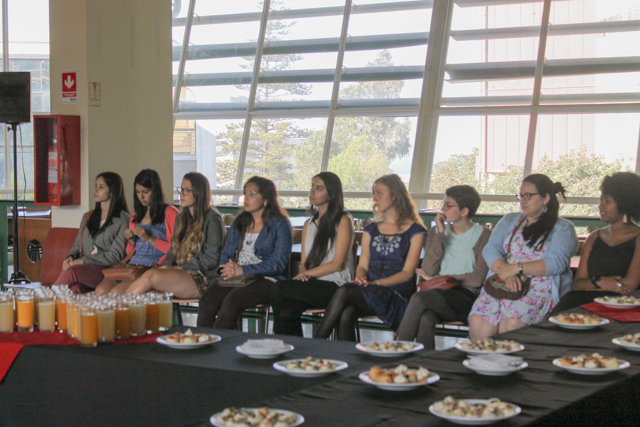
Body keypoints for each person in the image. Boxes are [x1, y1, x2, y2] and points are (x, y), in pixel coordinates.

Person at [315, 174, 426, 341]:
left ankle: (316, 343)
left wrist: (375, 283)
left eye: (379, 193)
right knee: (347, 313)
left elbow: (408, 273)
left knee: (345, 290)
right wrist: (360, 278)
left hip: (397, 295)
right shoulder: (370, 230)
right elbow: (362, 266)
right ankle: (347, 355)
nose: (374, 199)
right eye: (374, 193)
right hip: (370, 290)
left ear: (395, 195)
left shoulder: (415, 231)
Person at [468, 174, 578, 340]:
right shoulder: (510, 220)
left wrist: (516, 269)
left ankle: (513, 357)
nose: (522, 201)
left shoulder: (562, 228)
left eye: (528, 196)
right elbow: (491, 249)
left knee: (512, 324)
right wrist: (506, 272)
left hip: (538, 289)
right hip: (503, 283)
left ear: (546, 198)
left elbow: (557, 262)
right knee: (478, 322)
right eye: (521, 196)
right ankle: (485, 358)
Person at [396, 185, 491, 349]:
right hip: (436, 293)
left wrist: (439, 279)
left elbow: (476, 279)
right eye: (443, 204)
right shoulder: (436, 232)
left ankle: (398, 350)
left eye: (448, 205)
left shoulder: (484, 235)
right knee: (426, 317)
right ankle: (425, 361)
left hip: (464, 296)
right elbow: (429, 269)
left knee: (419, 298)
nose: (442, 209)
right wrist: (440, 234)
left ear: (464, 211)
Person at [197, 176, 292, 330]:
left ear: (266, 199)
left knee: (233, 300)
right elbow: (227, 252)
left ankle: (219, 342)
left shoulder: (280, 224)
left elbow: (278, 264)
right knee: (207, 299)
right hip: (237, 276)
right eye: (245, 193)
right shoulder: (239, 222)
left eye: (252, 194)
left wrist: (243, 269)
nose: (246, 198)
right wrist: (225, 268)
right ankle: (204, 340)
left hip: (266, 279)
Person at [270, 172, 354, 336]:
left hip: (335, 285)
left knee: (278, 288)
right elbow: (304, 262)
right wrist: (304, 275)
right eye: (312, 187)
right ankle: (296, 348)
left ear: (331, 193)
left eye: (319, 188)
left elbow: (337, 264)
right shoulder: (309, 224)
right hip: (312, 284)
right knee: (287, 313)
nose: (312, 191)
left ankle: (279, 342)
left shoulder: (343, 220)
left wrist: (307, 274)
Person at [123, 172, 225, 298]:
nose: (181, 194)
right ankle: (121, 309)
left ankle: (119, 308)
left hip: (205, 278)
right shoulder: (181, 218)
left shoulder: (213, 218)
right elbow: (172, 251)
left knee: (150, 275)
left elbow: (211, 260)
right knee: (150, 295)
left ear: (199, 193)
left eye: (186, 190)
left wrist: (179, 266)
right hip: (182, 272)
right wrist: (164, 267)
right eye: (181, 189)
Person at [551, 172, 640, 314]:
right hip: (586, 302)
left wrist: (596, 285)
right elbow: (578, 284)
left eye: (607, 201)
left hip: (622, 306)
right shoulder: (594, 237)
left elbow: (629, 286)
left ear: (625, 204)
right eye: (601, 200)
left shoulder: (637, 238)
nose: (600, 206)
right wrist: (600, 282)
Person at [95, 169, 179, 295]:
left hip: (154, 266)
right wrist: (131, 240)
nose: (141, 197)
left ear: (155, 191)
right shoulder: (136, 215)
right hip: (133, 265)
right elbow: (130, 251)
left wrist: (149, 239)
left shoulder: (170, 212)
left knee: (116, 292)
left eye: (145, 192)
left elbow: (176, 250)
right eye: (138, 192)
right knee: (100, 291)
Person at [53, 172, 130, 294]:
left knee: (72, 272)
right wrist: (70, 257)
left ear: (112, 192)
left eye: (101, 187)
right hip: (84, 269)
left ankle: (45, 299)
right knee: (75, 289)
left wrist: (83, 261)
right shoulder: (88, 216)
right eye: (96, 185)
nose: (96, 190)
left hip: (106, 271)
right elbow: (77, 246)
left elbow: (115, 256)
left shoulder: (123, 219)